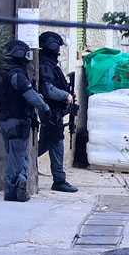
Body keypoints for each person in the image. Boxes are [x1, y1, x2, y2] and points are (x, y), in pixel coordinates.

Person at [0, 39, 51, 203]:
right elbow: (30, 96)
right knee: (16, 155)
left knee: (17, 154)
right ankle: (10, 190)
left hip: (3, 120)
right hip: (17, 120)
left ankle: (22, 179)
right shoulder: (17, 75)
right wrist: (45, 108)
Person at [35, 31, 80, 193]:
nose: (60, 49)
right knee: (54, 142)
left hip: (54, 111)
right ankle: (59, 179)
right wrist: (65, 95)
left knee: (50, 141)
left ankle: (58, 178)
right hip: (51, 111)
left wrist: (68, 92)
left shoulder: (49, 63)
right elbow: (48, 90)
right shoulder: (45, 65)